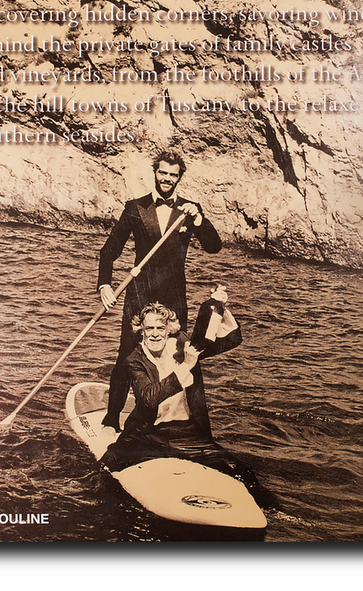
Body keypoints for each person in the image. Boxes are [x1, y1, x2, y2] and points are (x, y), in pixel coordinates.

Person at [97, 150, 222, 431]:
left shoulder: (189, 210)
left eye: (172, 175)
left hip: (174, 300)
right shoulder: (135, 207)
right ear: (155, 173)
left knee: (182, 358)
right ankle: (111, 419)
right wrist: (105, 285)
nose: (167, 178)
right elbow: (109, 251)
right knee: (127, 356)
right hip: (138, 296)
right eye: (162, 172)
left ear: (179, 178)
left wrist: (199, 220)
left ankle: (190, 426)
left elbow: (214, 247)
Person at [99, 299, 263, 499]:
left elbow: (232, 340)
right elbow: (149, 398)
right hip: (146, 435)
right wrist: (186, 366)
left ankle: (272, 512)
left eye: (160, 328)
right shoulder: (134, 360)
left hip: (186, 434)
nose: (155, 334)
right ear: (141, 330)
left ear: (169, 329)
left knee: (242, 473)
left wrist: (221, 309)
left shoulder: (181, 345)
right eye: (149, 328)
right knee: (104, 468)